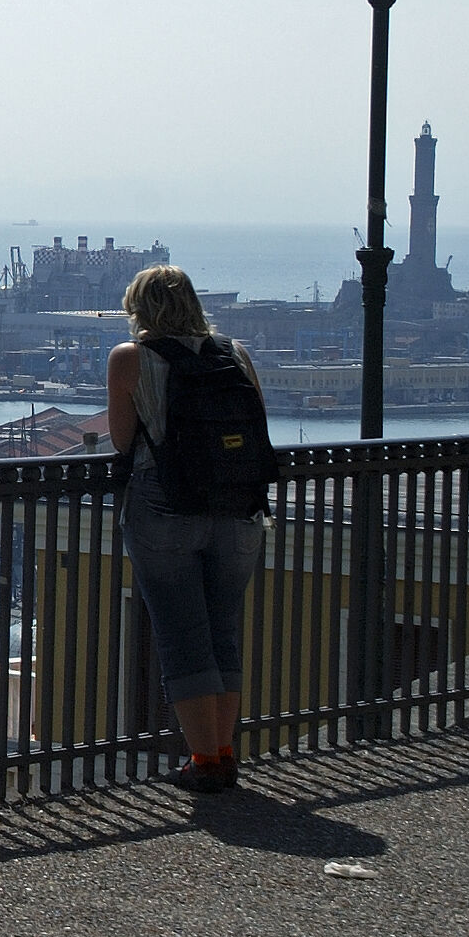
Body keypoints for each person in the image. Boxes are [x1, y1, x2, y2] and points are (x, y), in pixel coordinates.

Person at [106, 264, 268, 794]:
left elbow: (122, 440)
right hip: (238, 508)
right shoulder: (234, 354)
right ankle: (223, 751)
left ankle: (203, 760)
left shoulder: (131, 359)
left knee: (181, 634)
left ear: (139, 308)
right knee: (223, 632)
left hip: (166, 506)